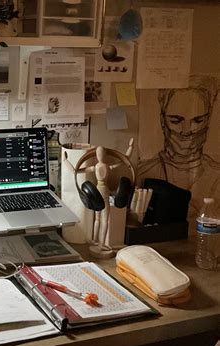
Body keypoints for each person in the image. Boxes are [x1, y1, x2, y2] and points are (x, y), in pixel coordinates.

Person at [137, 75, 220, 222]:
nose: (186, 131)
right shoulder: (144, 172)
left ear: (208, 121)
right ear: (163, 121)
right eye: (176, 121)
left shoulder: (216, 175)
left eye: (198, 120)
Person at [63, 139, 134, 257]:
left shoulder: (95, 167)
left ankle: (97, 241)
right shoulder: (107, 166)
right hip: (104, 191)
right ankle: (99, 242)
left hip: (97, 191)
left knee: (98, 219)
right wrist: (130, 147)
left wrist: (66, 160)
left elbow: (75, 171)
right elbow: (124, 160)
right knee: (104, 219)